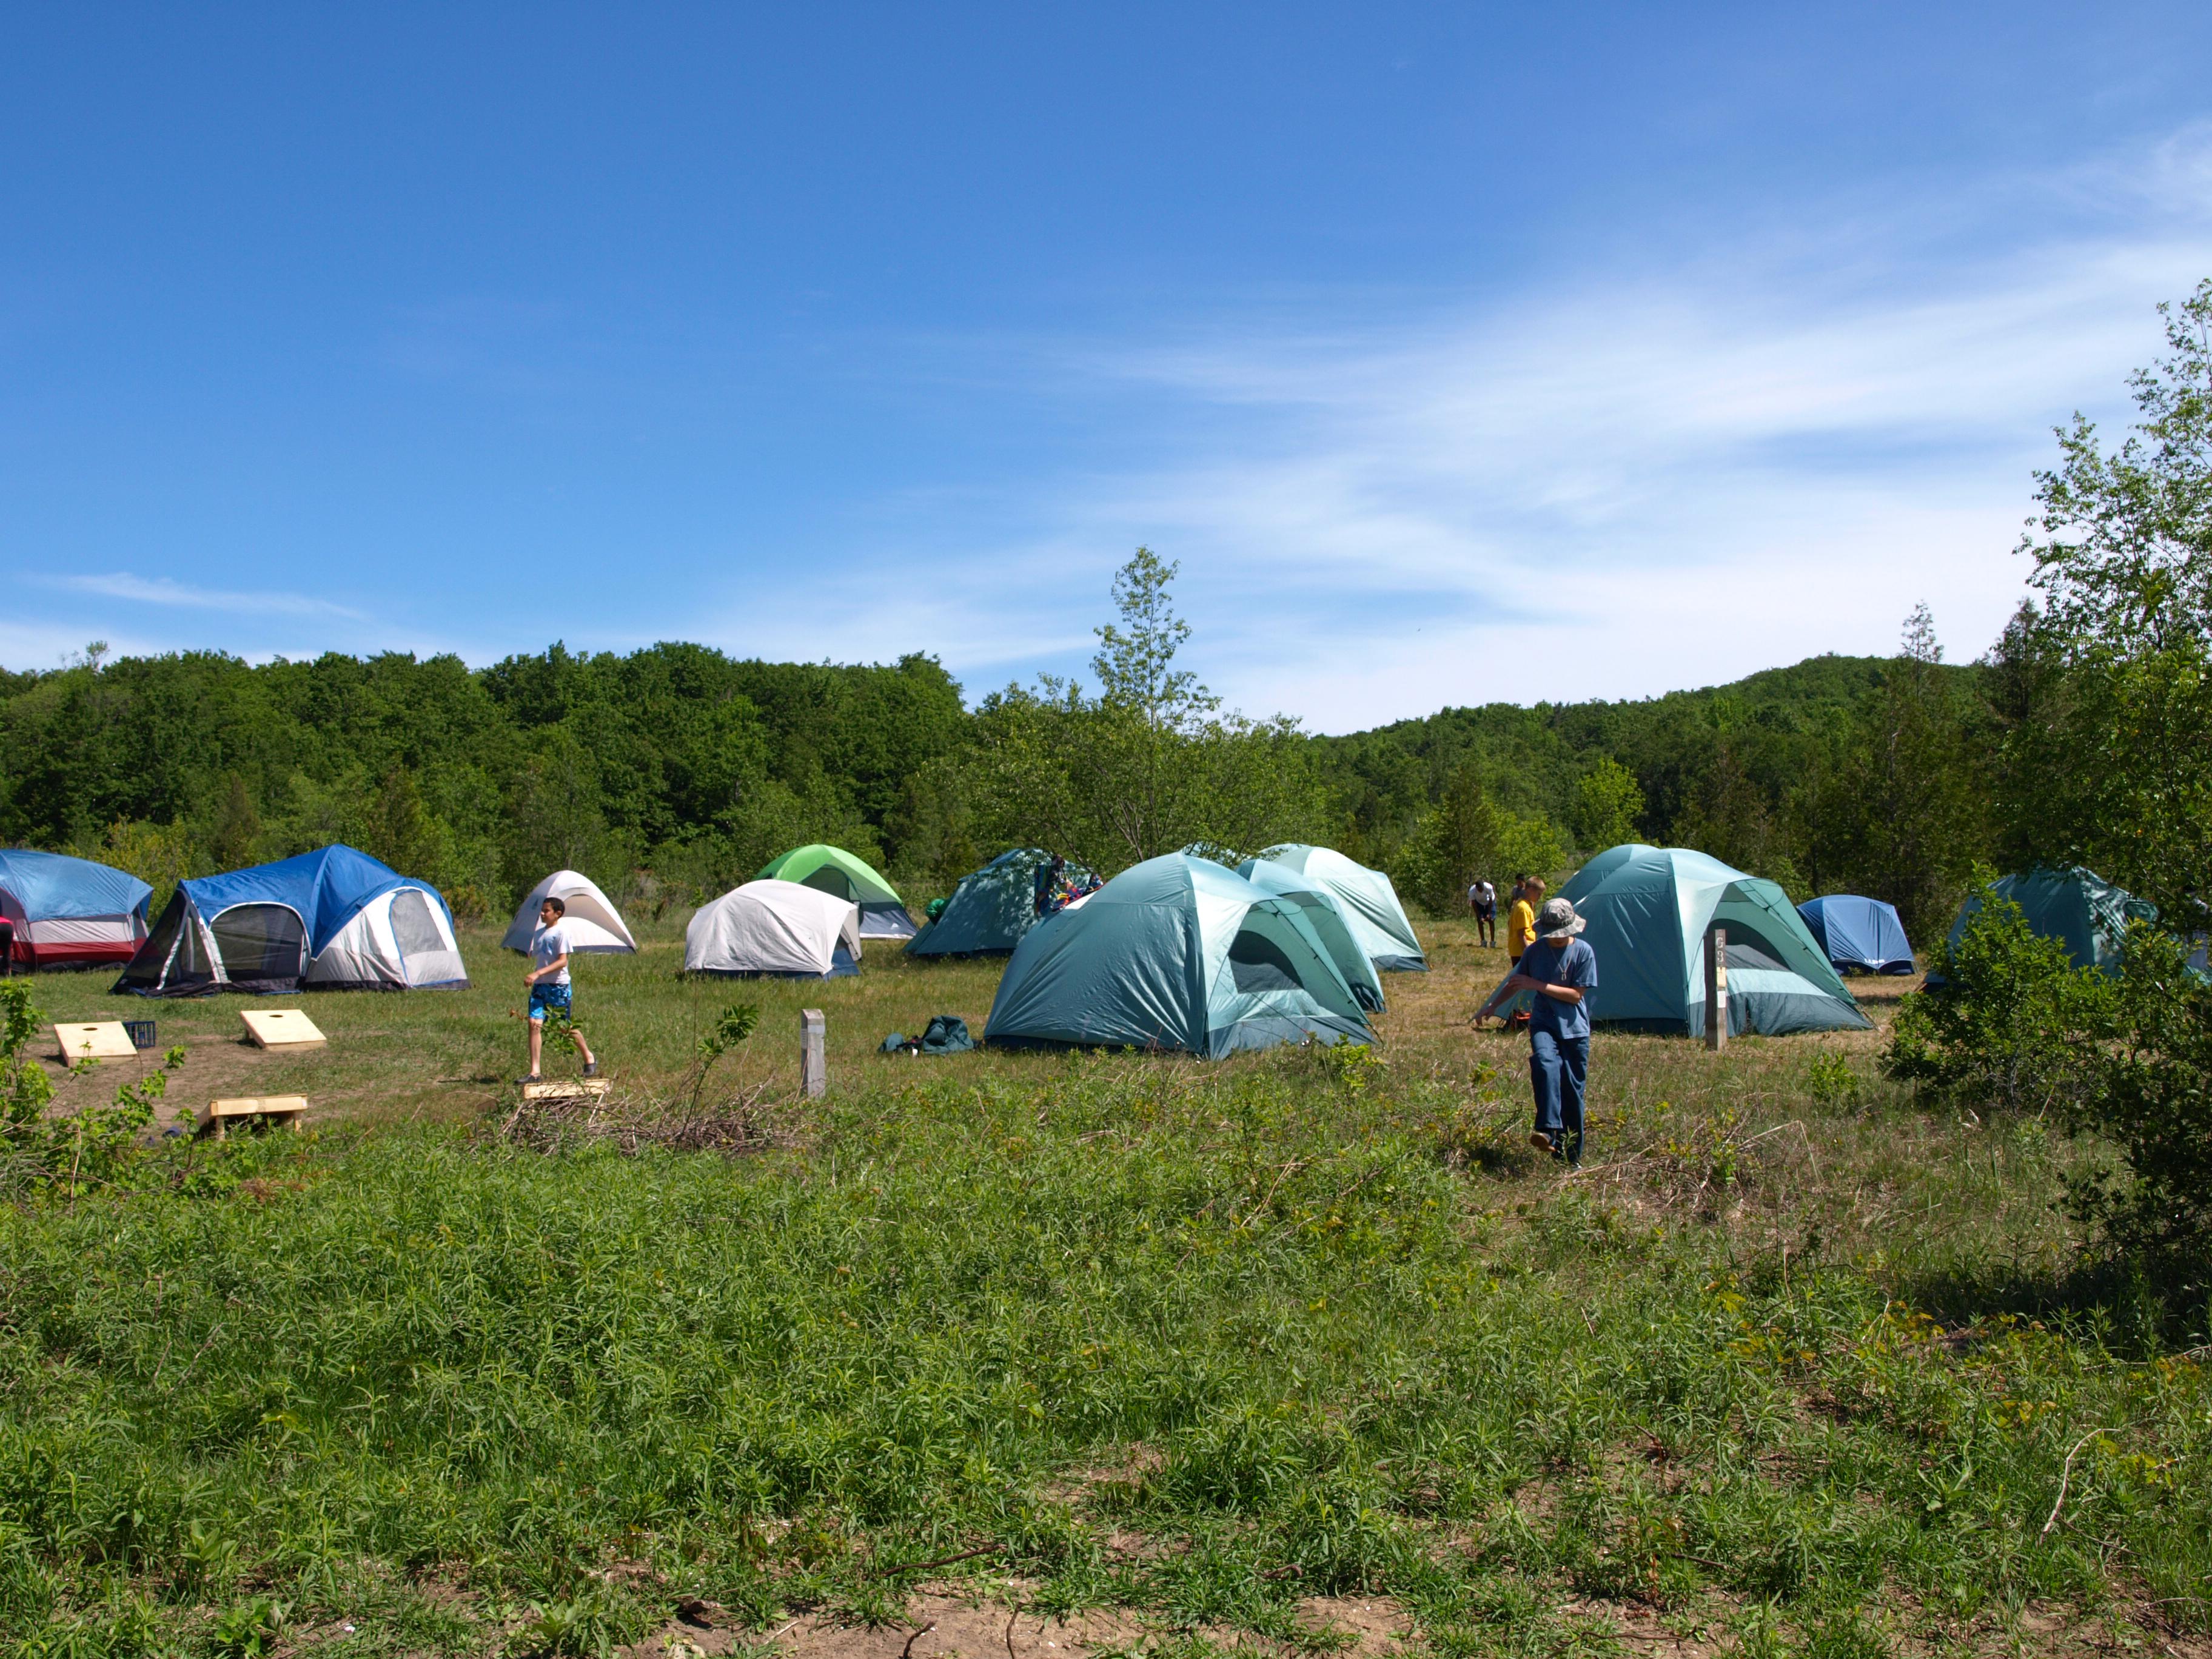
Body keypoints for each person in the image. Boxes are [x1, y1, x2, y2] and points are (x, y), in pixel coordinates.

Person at [1475, 896, 1598, 1166]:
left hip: (1575, 1030)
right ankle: (1547, 1130)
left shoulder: (1584, 952)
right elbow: (1517, 982)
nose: (1556, 939)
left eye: (1561, 935)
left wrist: (1538, 985)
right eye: (1552, 934)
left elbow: (1576, 996)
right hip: (1544, 1023)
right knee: (1544, 1063)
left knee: (1572, 1092)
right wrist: (1492, 1006)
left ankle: (1570, 1157)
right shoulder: (1535, 951)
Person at [520, 894, 598, 1084]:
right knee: (534, 1023)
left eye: (546, 911)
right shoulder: (540, 933)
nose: (542, 914)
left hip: (559, 986)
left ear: (558, 914)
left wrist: (537, 973)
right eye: (542, 910)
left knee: (565, 1027)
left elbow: (563, 961)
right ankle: (535, 1072)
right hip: (540, 987)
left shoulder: (561, 932)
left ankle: (589, 1056)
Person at [1469, 877, 1496, 948]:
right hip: (1479, 903)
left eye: (1482, 889)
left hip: (1489, 902)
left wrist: (1489, 913)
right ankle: (1483, 941)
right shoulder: (1472, 891)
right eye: (1479, 890)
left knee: (1491, 920)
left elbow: (1491, 900)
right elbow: (1474, 904)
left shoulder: (1489, 887)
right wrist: (1480, 916)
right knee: (1480, 921)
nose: (1481, 891)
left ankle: (1492, 942)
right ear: (1476, 888)